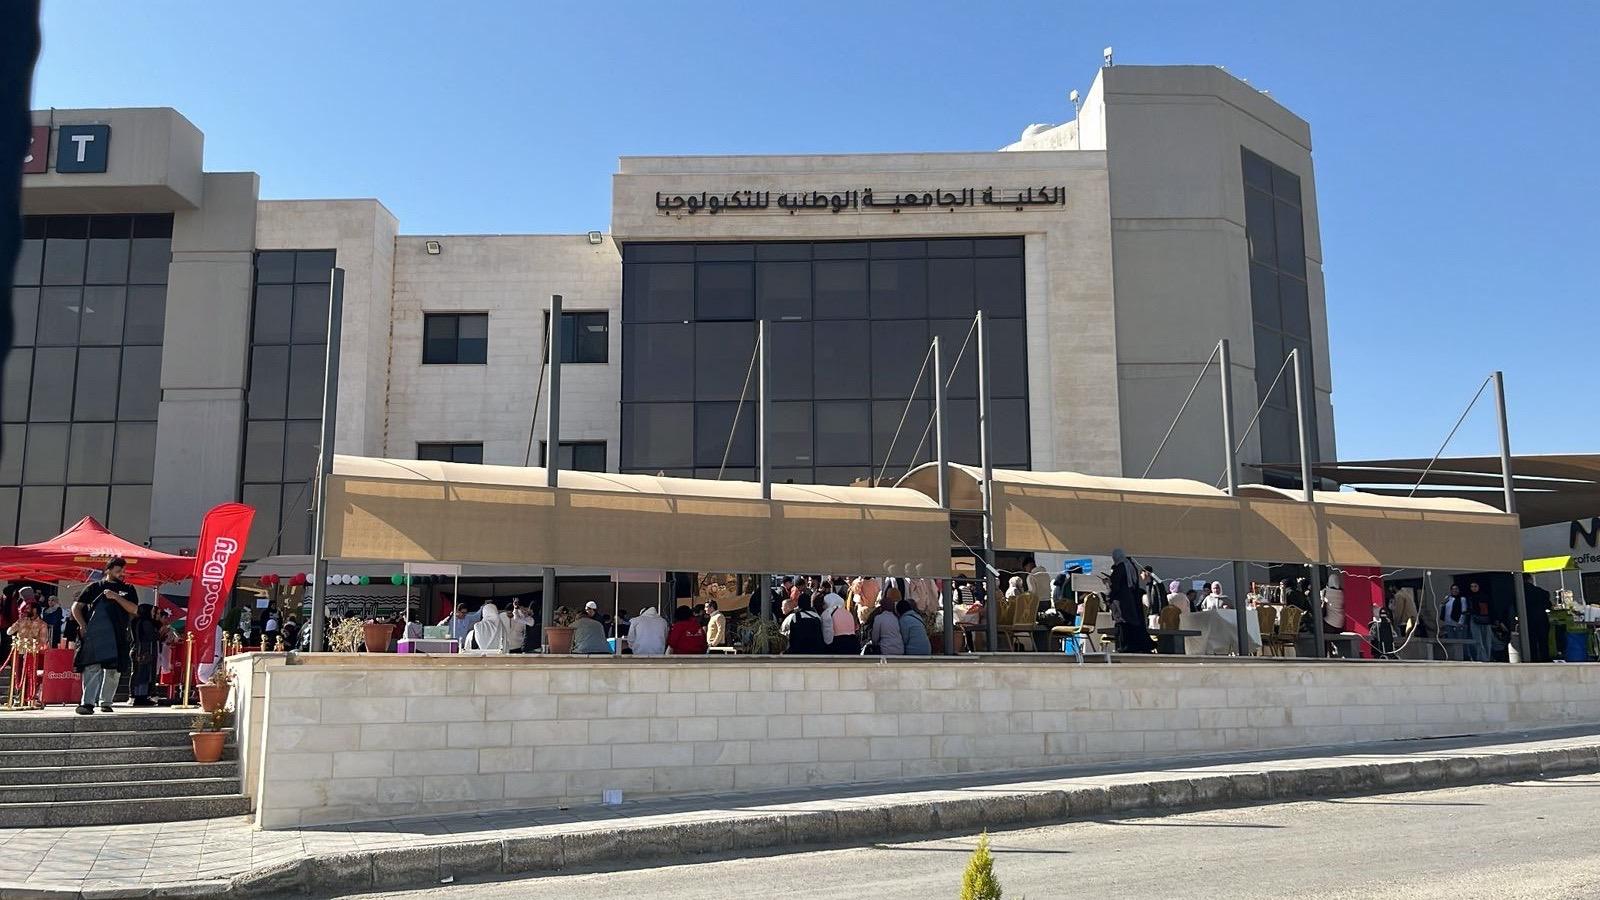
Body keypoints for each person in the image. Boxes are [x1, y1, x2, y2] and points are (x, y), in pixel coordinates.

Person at [72, 557, 140, 715]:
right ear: (108, 570)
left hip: (118, 634)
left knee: (113, 670)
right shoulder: (94, 587)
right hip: (95, 635)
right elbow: (76, 607)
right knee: (92, 668)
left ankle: (106, 702)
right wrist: (82, 625)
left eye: (123, 570)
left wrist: (116, 596)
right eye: (118, 571)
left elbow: (134, 609)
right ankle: (87, 703)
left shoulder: (129, 589)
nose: (122, 573)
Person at [1107, 549, 1154, 653]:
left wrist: (1108, 590)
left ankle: (1124, 646)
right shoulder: (1131, 566)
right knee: (1131, 623)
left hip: (1121, 600)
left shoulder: (1120, 568)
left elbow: (1115, 585)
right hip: (1131, 599)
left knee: (1123, 623)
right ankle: (1133, 645)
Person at [129, 600, 162, 706]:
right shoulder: (145, 622)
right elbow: (152, 636)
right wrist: (160, 631)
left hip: (139, 650)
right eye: (152, 611)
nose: (153, 614)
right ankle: (140, 697)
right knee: (143, 674)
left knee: (139, 673)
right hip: (144, 651)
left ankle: (139, 695)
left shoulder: (137, 621)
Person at [1466, 581, 1493, 662]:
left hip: (1485, 619)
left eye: (1475, 586)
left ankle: (1487, 657)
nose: (1473, 588)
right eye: (1472, 586)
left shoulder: (1485, 596)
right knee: (1477, 639)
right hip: (1475, 618)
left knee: (1486, 639)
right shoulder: (1469, 597)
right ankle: (1481, 657)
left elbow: (1490, 608)